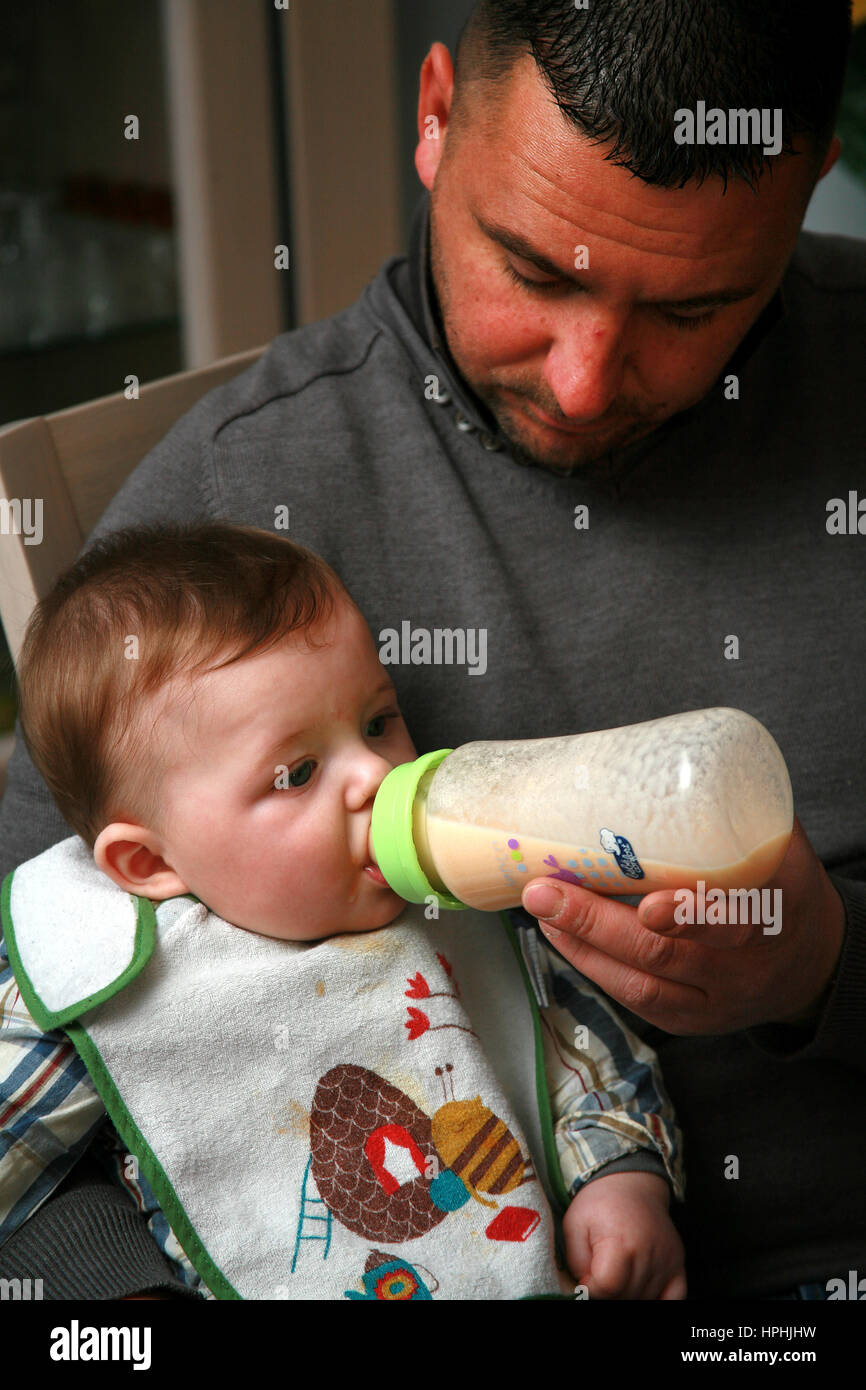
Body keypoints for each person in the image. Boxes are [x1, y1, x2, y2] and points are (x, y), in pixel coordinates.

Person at [0, 0, 863, 1301]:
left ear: (803, 189)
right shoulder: (230, 530)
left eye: (690, 310)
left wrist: (823, 965)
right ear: (434, 115)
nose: (581, 380)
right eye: (534, 271)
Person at [1, 521, 685, 1300]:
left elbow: (590, 1063)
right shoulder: (112, 977)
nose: (377, 774)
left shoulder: (453, 894)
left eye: (377, 721)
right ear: (151, 863)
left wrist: (620, 1183)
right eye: (296, 773)